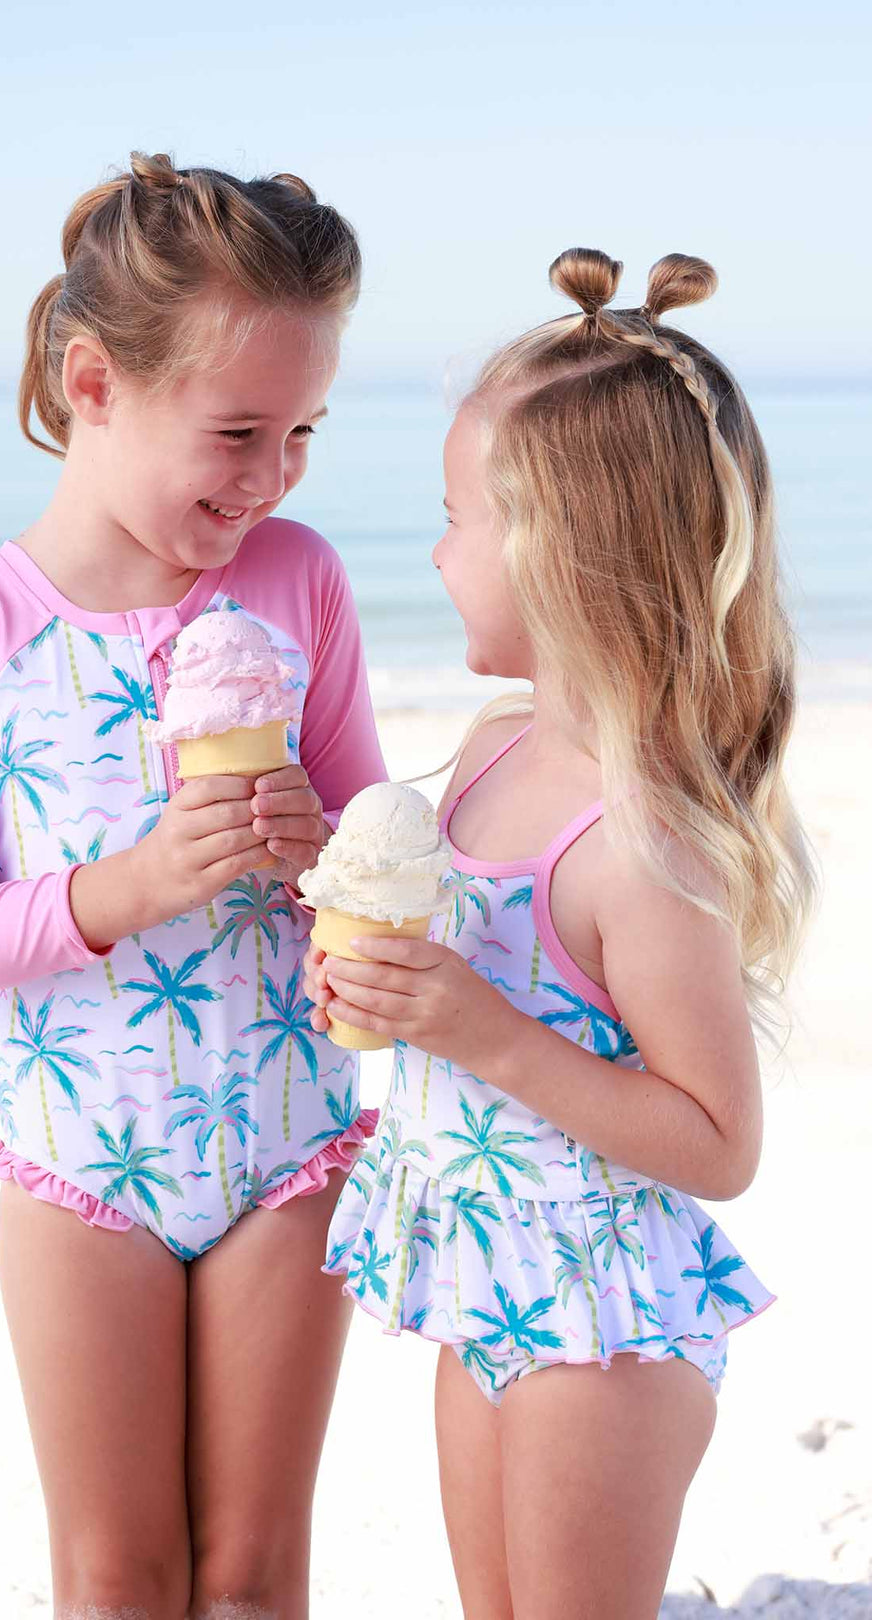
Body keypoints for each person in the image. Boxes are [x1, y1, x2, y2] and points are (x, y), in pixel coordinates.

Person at [0, 151, 385, 1620]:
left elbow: (370, 852)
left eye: (302, 434)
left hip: (292, 1150)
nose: (271, 479)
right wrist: (139, 881)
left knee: (248, 1578)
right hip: (78, 1167)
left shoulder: (298, 581)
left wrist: (323, 848)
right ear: (92, 383)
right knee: (117, 1580)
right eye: (236, 433)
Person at [309, 249, 815, 1620]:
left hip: (601, 1323)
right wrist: (366, 976)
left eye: (457, 517)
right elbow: (452, 985)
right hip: (484, 1276)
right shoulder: (487, 751)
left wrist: (481, 1029)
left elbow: (718, 1141)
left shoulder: (637, 842)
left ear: (562, 553)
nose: (433, 550)